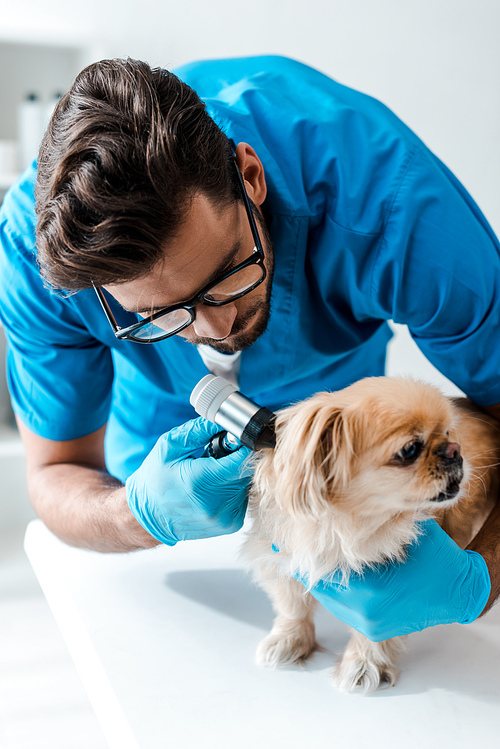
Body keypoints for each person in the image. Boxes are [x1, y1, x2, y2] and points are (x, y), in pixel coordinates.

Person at [0, 55, 499, 642]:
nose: (214, 328)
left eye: (227, 275)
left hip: (350, 460)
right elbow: (58, 472)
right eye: (159, 314)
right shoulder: (38, 261)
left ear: (251, 177)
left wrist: (483, 579)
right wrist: (137, 514)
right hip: (155, 435)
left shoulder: (393, 204)